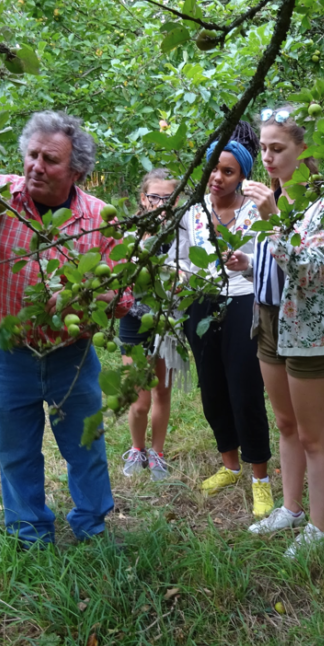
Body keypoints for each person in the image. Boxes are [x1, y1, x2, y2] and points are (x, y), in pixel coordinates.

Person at [0, 111, 132, 546]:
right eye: (32, 155)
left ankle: (92, 527)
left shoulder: (100, 218)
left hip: (71, 355)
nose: (36, 166)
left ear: (76, 169)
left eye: (50, 159)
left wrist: (82, 298)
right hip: (6, 354)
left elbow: (123, 296)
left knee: (86, 449)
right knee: (17, 452)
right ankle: (30, 533)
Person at [225, 106, 324, 558]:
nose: (268, 157)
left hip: (311, 330)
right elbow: (275, 261)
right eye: (263, 148)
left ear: (305, 150)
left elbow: (313, 270)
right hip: (269, 321)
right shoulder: (270, 198)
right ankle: (292, 508)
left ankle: (319, 527)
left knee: (313, 434)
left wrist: (273, 216)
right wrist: (247, 262)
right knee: (285, 423)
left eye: (277, 148)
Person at [174, 122, 274, 518]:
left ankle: (261, 479)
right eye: (214, 167)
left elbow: (269, 264)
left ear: (243, 176)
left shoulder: (255, 213)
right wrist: (181, 274)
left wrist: (245, 264)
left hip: (242, 303)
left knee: (244, 390)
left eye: (228, 171)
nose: (217, 177)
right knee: (212, 387)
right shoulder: (194, 210)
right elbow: (180, 256)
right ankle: (230, 466)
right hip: (201, 303)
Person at [121, 168, 190, 481]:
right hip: (135, 321)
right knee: (139, 400)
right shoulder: (130, 236)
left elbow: (190, 268)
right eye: (154, 197)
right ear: (143, 199)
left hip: (168, 321)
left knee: (162, 392)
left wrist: (182, 275)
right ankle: (137, 449)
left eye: (168, 198)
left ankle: (157, 453)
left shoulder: (182, 234)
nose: (161, 203)